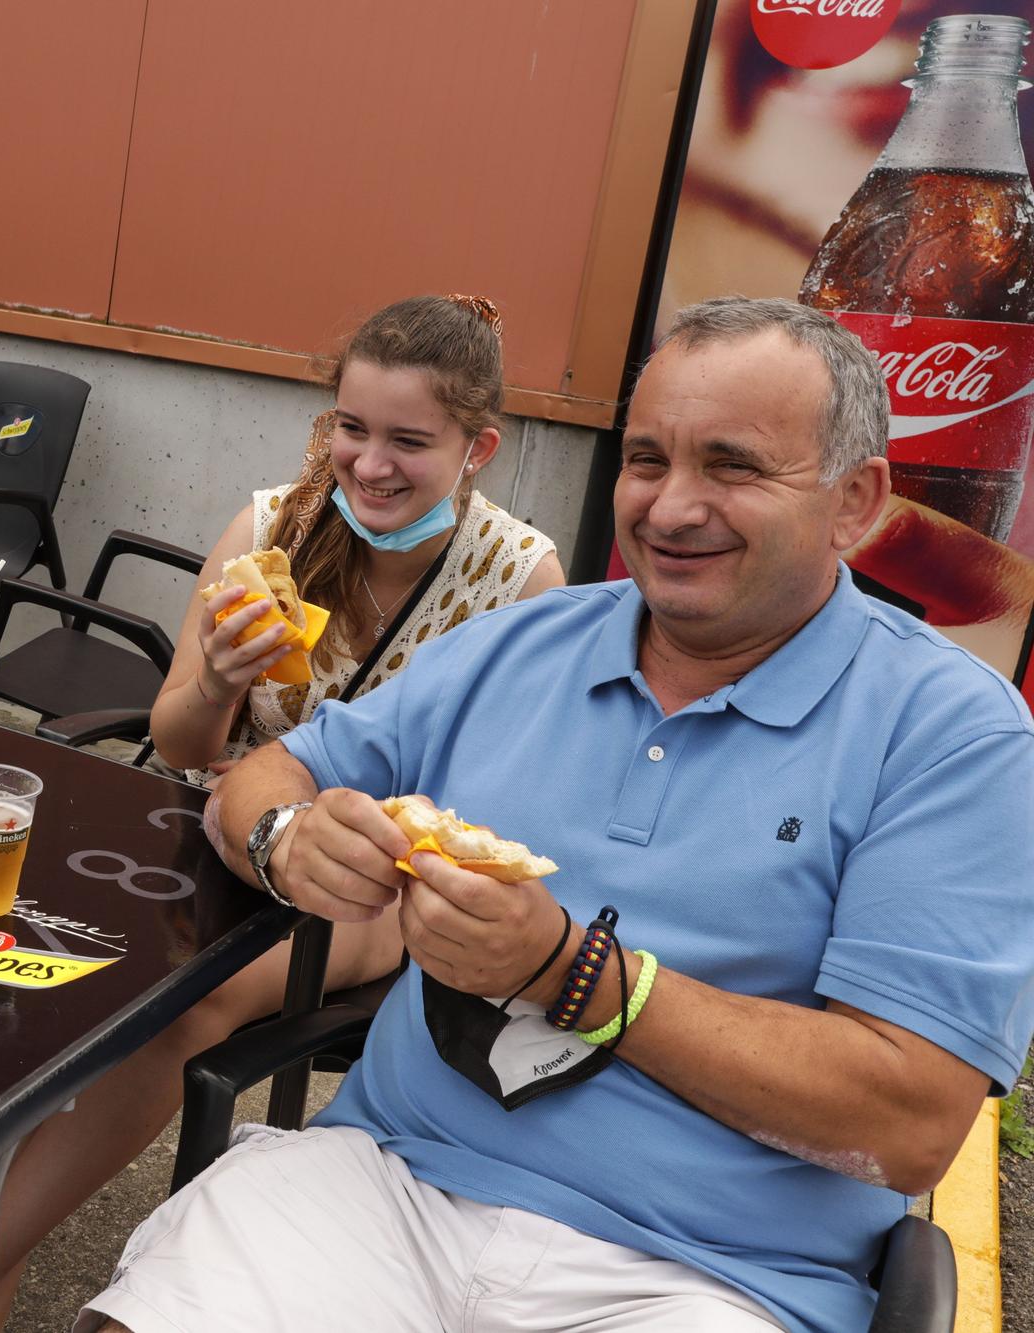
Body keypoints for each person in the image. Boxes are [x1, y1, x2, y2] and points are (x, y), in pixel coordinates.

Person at [79, 297, 1034, 1333]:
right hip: (390, 1189)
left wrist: (570, 975)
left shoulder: (949, 735)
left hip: (707, 1276)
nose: (668, 508)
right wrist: (287, 840)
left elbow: (905, 1121)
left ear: (853, 502)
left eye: (731, 466)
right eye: (644, 459)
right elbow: (265, 772)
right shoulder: (518, 645)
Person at [0, 295, 565, 1332]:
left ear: (476, 447)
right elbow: (179, 744)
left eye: (407, 442)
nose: (369, 464)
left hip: (377, 883)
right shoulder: (272, 527)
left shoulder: (520, 578)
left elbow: (496, 809)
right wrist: (212, 675)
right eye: (350, 428)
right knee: (25, 956)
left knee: (181, 999)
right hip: (223, 831)